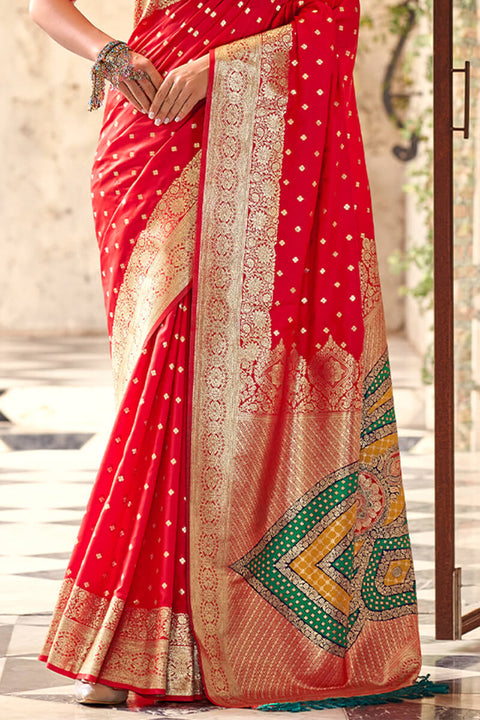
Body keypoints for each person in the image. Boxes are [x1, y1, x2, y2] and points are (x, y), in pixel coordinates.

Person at [30, 0, 426, 710]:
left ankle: (154, 648)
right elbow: (43, 6)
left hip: (253, 140)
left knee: (184, 401)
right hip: (146, 151)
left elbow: (331, 28)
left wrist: (222, 69)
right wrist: (111, 53)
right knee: (157, 390)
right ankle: (143, 643)